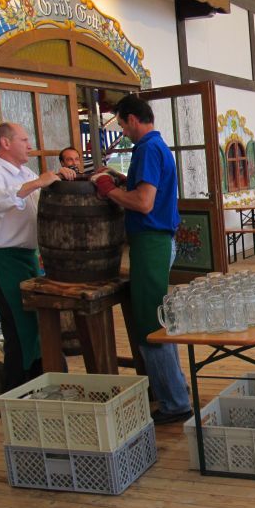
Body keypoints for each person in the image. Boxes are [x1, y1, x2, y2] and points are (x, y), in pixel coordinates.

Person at [91, 94, 192, 425]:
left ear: (133, 119)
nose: (123, 131)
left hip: (151, 242)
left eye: (122, 125)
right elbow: (150, 190)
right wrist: (124, 181)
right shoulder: (158, 146)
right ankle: (175, 390)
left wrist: (108, 189)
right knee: (160, 320)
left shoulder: (147, 148)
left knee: (150, 325)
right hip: (157, 241)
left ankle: (175, 403)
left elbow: (145, 203)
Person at [0, 123, 75, 392]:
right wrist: (36, 183)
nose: (29, 145)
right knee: (19, 328)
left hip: (28, 257)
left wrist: (61, 179)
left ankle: (38, 383)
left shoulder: (25, 173)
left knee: (35, 324)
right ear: (5, 143)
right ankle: (15, 390)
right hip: (5, 259)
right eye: (23, 140)